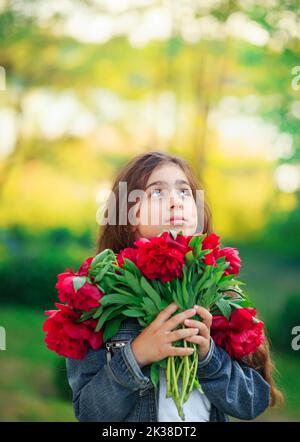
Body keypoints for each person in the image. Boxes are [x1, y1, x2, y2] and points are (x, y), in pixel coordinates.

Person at [65, 150, 284, 422]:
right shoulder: (98, 298)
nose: (175, 203)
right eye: (157, 192)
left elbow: (251, 403)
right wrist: (136, 356)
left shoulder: (221, 296)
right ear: (129, 216)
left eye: (184, 193)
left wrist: (209, 357)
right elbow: (88, 413)